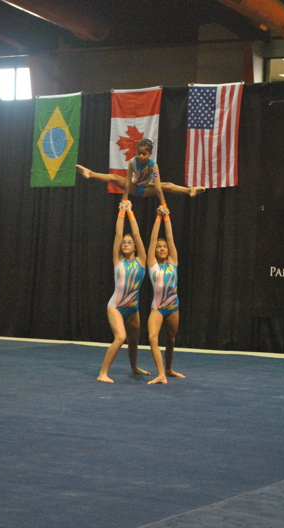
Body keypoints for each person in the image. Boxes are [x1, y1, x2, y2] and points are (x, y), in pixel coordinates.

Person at [97, 199, 150, 383]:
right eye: (124, 243)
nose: (125, 244)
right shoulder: (118, 261)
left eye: (129, 243)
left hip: (133, 309)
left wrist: (130, 212)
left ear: (135, 246)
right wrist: (121, 212)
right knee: (120, 337)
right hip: (116, 307)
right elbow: (118, 234)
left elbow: (136, 234)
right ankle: (103, 373)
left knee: (134, 340)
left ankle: (134, 367)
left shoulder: (142, 260)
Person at [76, 137, 205, 203]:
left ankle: (190, 190)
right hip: (133, 187)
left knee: (166, 185)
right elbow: (127, 182)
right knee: (114, 177)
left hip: (146, 189)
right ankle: (90, 173)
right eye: (139, 153)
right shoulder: (133, 162)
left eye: (144, 154)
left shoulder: (153, 165)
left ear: (150, 154)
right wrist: (125, 200)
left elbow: (158, 187)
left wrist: (163, 203)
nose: (141, 156)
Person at [147, 204, 185, 385]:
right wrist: (158, 217)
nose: (162, 248)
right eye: (159, 247)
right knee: (152, 337)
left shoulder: (173, 262)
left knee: (171, 339)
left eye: (164, 247)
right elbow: (153, 240)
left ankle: (169, 369)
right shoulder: (152, 264)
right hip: (158, 307)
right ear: (155, 251)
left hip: (173, 307)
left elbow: (170, 237)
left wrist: (167, 217)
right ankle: (161, 373)